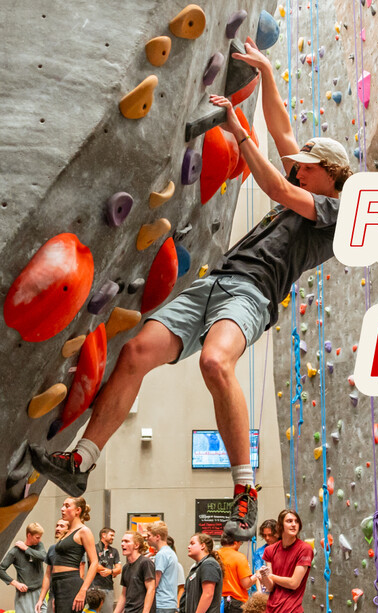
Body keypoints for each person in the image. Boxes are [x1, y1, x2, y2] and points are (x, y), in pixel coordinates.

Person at [28, 35, 354, 543]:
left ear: (328, 175)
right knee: (135, 352)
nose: (297, 164)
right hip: (217, 280)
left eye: (307, 164)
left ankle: (245, 493)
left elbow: (278, 188)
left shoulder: (336, 211)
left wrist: (238, 131)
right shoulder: (311, 181)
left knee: (214, 362)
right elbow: (283, 128)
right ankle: (81, 461)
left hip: (251, 296)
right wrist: (267, 73)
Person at [34, 498, 97, 613]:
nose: (62, 509)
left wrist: (83, 591)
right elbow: (49, 572)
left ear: (78, 510)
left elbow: (94, 562)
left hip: (70, 584)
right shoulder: (67, 533)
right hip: (58, 585)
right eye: (63, 505)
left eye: (67, 506)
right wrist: (42, 598)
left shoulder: (84, 531)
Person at [258, 511, 311, 613]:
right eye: (289, 521)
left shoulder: (304, 549)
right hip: (271, 609)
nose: (294, 524)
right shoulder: (270, 550)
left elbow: (294, 583)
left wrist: (270, 576)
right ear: (280, 526)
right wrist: (264, 576)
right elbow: (270, 587)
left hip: (292, 609)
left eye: (296, 521)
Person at [0, 522, 46, 613]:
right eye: (37, 537)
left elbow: (44, 557)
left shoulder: (39, 546)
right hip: (24, 595)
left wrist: (26, 548)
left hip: (39, 592)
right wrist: (16, 583)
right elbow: (1, 569)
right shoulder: (15, 552)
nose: (39, 540)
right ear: (29, 535)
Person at [115, 532, 155, 613]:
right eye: (122, 541)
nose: (122, 544)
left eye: (126, 541)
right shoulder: (126, 567)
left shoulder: (145, 563)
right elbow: (124, 595)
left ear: (136, 545)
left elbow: (151, 589)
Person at [146, 523, 181, 613]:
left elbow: (155, 582)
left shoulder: (161, 555)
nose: (147, 538)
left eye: (149, 535)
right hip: (169, 603)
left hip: (162, 603)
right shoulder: (170, 552)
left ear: (157, 537)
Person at [182, 535, 222, 613]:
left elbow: (208, 594)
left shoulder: (209, 564)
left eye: (192, 543)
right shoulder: (196, 567)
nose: (188, 547)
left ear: (203, 546)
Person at [216, 533, 253, 613]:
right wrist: (256, 576)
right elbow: (246, 584)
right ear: (236, 542)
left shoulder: (214, 555)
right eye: (240, 543)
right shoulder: (240, 557)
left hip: (216, 601)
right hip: (236, 603)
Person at [91, 528, 122, 613]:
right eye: (111, 535)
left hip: (108, 588)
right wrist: (112, 571)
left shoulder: (114, 551)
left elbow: (119, 569)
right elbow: (95, 567)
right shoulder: (93, 548)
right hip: (95, 587)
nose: (113, 537)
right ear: (103, 535)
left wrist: (110, 572)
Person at [251, 521, 278, 587]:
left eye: (270, 535)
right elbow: (258, 574)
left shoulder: (285, 549)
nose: (267, 538)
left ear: (277, 534)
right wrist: (259, 593)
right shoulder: (259, 552)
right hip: (266, 589)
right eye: (264, 535)